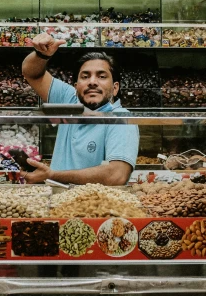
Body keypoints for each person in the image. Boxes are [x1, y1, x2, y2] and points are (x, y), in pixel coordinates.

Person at [21, 33, 139, 186]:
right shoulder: (69, 99)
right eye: (85, 76)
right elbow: (31, 73)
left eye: (102, 76)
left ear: (115, 88)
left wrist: (52, 175)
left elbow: (117, 175)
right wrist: (41, 55)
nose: (92, 82)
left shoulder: (121, 119)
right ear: (76, 87)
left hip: (95, 206)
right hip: (57, 202)